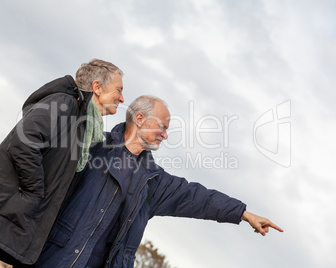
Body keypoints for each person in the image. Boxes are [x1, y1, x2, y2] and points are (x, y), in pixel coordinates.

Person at [35, 95, 283, 268]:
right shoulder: (94, 146)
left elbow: (196, 197)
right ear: (140, 119)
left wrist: (242, 213)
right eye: (162, 127)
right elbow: (44, 175)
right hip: (55, 259)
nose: (165, 135)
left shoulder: (154, 180)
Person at [0, 59, 124, 267]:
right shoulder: (65, 103)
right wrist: (35, 193)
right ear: (97, 87)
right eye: (118, 90)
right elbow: (24, 143)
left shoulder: (83, 128)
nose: (122, 99)